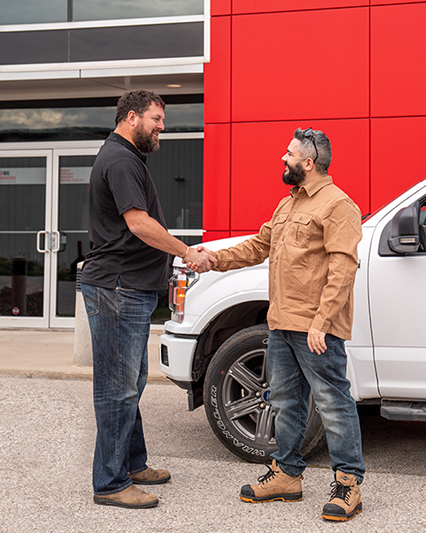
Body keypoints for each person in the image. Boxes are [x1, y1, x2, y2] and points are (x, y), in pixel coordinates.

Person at [205, 127, 365, 521]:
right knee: (284, 401)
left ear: (307, 163)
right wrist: (212, 258)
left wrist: (322, 323)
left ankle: (348, 484)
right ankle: (286, 475)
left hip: (315, 328)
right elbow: (259, 246)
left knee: (332, 402)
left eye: (289, 154)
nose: (283, 158)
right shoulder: (286, 205)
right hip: (281, 322)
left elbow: (343, 269)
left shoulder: (338, 205)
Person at [81, 89, 215, 509]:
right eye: (156, 119)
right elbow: (138, 223)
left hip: (127, 289)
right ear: (132, 116)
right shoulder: (120, 159)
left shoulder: (126, 157)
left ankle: (133, 463)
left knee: (131, 382)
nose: (162, 127)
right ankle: (110, 482)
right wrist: (186, 251)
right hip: (118, 289)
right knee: (117, 389)